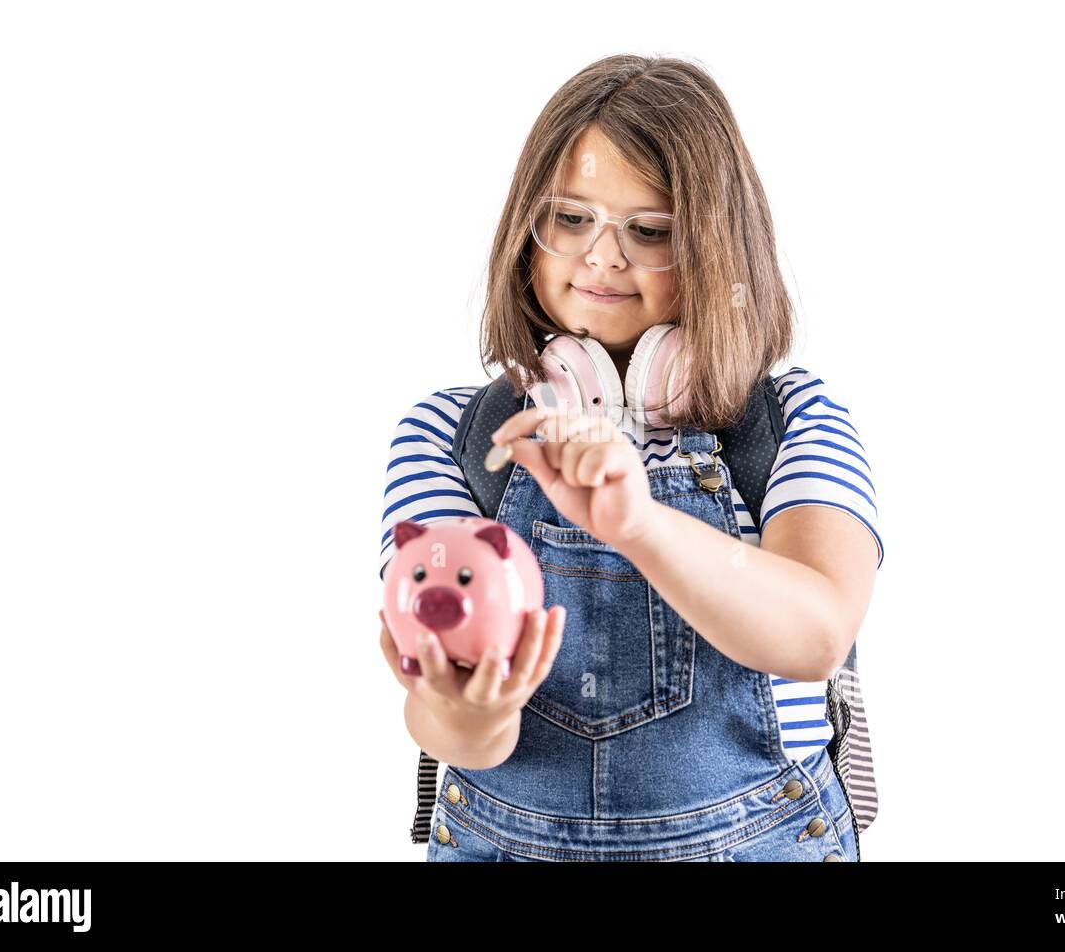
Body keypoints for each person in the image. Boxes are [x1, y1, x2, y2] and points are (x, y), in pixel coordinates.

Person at [378, 54, 882, 861]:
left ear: (720, 253)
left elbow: (817, 630)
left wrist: (639, 523)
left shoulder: (789, 424)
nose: (602, 257)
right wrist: (467, 708)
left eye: (649, 231)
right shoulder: (454, 435)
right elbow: (442, 710)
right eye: (570, 219)